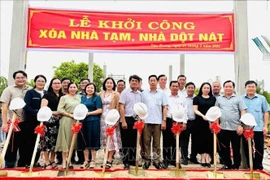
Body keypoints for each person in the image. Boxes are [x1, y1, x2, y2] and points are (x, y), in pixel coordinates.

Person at [0, 70, 32, 168]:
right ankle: (9, 165)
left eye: (22, 77)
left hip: (26, 122)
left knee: (25, 145)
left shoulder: (30, 89)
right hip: (13, 122)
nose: (20, 79)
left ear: (26, 79)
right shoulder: (9, 90)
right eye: (18, 78)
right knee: (12, 146)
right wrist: (5, 123)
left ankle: (22, 165)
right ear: (14, 79)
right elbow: (4, 107)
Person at [216, 80, 247, 170]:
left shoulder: (238, 99)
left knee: (236, 148)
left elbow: (243, 111)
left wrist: (241, 125)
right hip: (223, 127)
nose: (228, 88)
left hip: (236, 128)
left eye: (230, 86)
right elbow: (216, 112)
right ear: (223, 88)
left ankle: (236, 165)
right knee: (224, 148)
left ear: (233, 88)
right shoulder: (219, 99)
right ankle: (227, 164)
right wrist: (217, 124)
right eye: (226, 86)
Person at [242, 80, 269, 170]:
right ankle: (251, 166)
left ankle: (258, 166)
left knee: (259, 147)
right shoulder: (241, 99)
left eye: (253, 86)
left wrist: (265, 126)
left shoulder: (261, 98)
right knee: (247, 148)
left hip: (258, 128)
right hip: (245, 128)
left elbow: (265, 112)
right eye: (249, 86)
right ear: (245, 88)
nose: (251, 88)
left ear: (255, 88)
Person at [142, 75, 168, 169]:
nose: (152, 82)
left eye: (154, 80)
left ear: (157, 82)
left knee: (157, 142)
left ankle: (157, 160)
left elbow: (164, 107)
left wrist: (164, 120)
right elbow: (141, 107)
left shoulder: (161, 94)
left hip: (158, 121)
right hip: (146, 121)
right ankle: (147, 160)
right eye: (151, 80)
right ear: (148, 82)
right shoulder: (144, 93)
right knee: (146, 141)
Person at [23, 74, 47, 168]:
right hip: (31, 121)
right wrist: (37, 113)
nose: (41, 83)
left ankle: (35, 161)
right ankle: (27, 162)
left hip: (43, 121)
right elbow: (26, 106)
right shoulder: (30, 93)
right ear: (35, 82)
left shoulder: (46, 93)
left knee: (39, 142)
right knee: (30, 141)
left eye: (43, 81)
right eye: (39, 81)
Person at [55, 82, 81, 169]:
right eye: (71, 87)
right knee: (65, 141)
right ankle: (64, 162)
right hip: (66, 120)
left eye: (74, 87)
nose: (73, 89)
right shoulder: (64, 98)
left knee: (72, 141)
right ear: (68, 88)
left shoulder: (80, 97)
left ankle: (69, 160)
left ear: (77, 89)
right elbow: (59, 110)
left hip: (77, 121)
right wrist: (69, 115)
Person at [119, 75, 143, 169]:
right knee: (126, 141)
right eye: (132, 80)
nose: (134, 82)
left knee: (135, 141)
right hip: (127, 119)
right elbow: (121, 106)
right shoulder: (125, 93)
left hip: (136, 120)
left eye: (136, 81)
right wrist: (123, 121)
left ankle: (133, 160)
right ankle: (126, 161)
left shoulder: (140, 94)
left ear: (138, 83)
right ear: (129, 82)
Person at [163, 80, 187, 169]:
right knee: (166, 141)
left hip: (179, 121)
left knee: (176, 141)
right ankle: (166, 160)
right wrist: (164, 121)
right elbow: (164, 108)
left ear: (179, 87)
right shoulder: (166, 97)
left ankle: (174, 160)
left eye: (176, 86)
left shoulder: (182, 97)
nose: (175, 88)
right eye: (173, 86)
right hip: (169, 120)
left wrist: (184, 122)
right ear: (170, 87)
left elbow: (185, 110)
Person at [78, 83, 102, 169]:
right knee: (84, 141)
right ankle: (86, 160)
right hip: (83, 121)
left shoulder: (97, 98)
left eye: (92, 88)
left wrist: (88, 113)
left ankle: (93, 161)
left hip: (93, 121)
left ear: (94, 89)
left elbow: (100, 110)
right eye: (88, 87)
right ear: (85, 88)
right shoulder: (82, 98)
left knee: (92, 140)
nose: (90, 89)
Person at [40, 78, 63, 169]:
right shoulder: (47, 95)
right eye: (55, 83)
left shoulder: (62, 95)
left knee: (55, 142)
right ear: (51, 85)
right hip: (48, 121)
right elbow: (43, 108)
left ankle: (53, 160)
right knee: (46, 142)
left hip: (59, 121)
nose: (57, 85)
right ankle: (46, 161)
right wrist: (56, 113)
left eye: (58, 83)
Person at [100, 77, 122, 169]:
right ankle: (105, 156)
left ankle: (109, 159)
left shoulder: (116, 94)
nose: (109, 84)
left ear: (113, 85)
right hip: (102, 118)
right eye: (107, 83)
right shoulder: (100, 94)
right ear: (105, 84)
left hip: (112, 117)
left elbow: (118, 107)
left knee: (112, 137)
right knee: (104, 137)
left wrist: (116, 120)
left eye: (111, 83)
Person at [193, 82, 216, 168]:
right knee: (201, 140)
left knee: (209, 140)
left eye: (208, 88)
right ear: (201, 89)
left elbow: (215, 109)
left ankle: (207, 158)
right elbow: (195, 109)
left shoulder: (213, 98)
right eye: (204, 88)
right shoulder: (197, 98)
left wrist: (211, 118)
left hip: (210, 122)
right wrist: (203, 116)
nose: (206, 89)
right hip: (200, 121)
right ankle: (202, 158)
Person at [180, 82, 199, 164]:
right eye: (189, 88)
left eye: (192, 88)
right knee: (184, 141)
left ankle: (193, 157)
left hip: (195, 122)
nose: (191, 89)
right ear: (186, 89)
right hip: (186, 122)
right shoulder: (182, 98)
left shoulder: (197, 98)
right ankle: (184, 157)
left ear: (194, 89)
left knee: (195, 141)